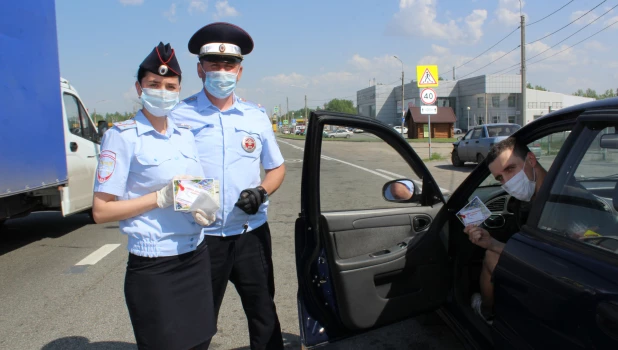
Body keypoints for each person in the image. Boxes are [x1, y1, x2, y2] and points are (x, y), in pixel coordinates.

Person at [170, 22, 286, 350]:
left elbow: (276, 167)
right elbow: (167, 171)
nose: (222, 71)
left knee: (264, 314)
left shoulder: (256, 116)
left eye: (229, 65)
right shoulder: (179, 115)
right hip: (201, 239)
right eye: (214, 64)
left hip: (251, 234)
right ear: (200, 69)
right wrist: (195, 201)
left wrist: (261, 192)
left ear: (239, 71)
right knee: (197, 321)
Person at [92, 42, 216, 350]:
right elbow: (101, 211)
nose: (162, 91)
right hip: (154, 265)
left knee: (201, 342)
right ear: (139, 87)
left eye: (170, 86)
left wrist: (207, 205)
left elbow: (191, 189)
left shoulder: (185, 135)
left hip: (196, 256)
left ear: (179, 90)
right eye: (154, 84)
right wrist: (157, 199)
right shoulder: (122, 137)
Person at [463, 137, 547, 324]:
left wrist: (492, 246)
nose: (507, 182)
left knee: (491, 257)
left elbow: (538, 258)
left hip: (550, 280)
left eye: (510, 169)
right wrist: (490, 241)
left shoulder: (558, 202)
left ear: (531, 160)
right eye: (500, 178)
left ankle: (486, 312)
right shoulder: (540, 194)